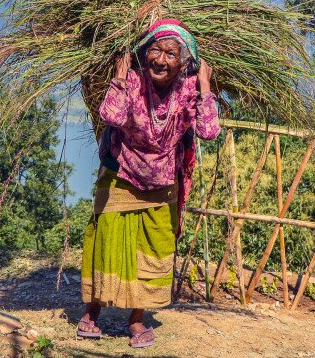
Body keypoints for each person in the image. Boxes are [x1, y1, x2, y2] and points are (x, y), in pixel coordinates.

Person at [77, 18, 221, 348]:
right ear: (144, 54)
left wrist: (205, 86)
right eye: (155, 50)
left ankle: (137, 319)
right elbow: (111, 116)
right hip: (122, 178)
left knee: (151, 249)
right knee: (106, 241)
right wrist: (119, 75)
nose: (161, 59)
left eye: (171, 53)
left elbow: (209, 131)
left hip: (162, 184)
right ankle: (92, 313)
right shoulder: (132, 81)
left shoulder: (188, 90)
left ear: (184, 62)